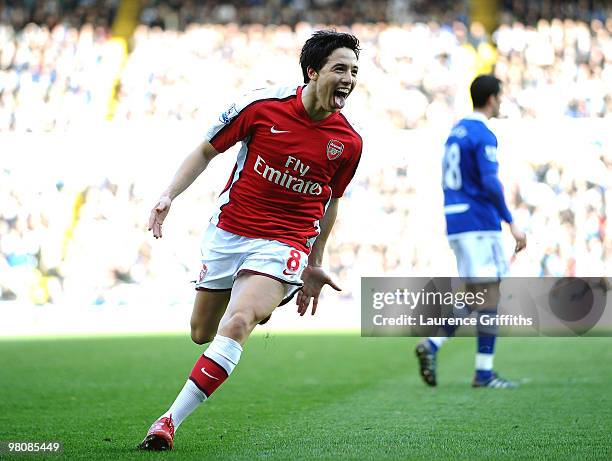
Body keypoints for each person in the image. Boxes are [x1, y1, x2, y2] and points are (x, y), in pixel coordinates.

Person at [138, 30, 362, 451]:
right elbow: (206, 151)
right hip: (231, 232)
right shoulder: (261, 107)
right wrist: (169, 194)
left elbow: (331, 202)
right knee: (202, 332)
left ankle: (168, 421)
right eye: (339, 69)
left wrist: (316, 260)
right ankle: (258, 296)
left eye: (354, 71)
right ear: (313, 72)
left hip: (287, 243)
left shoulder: (348, 142)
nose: (348, 78)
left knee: (238, 322)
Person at [415, 74, 527, 389]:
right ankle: (483, 373)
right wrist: (511, 221)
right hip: (479, 222)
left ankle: (435, 345)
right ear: (492, 98)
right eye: (500, 96)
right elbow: (491, 182)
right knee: (489, 294)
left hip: (457, 220)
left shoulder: (456, 132)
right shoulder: (483, 134)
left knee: (477, 295)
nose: (501, 101)